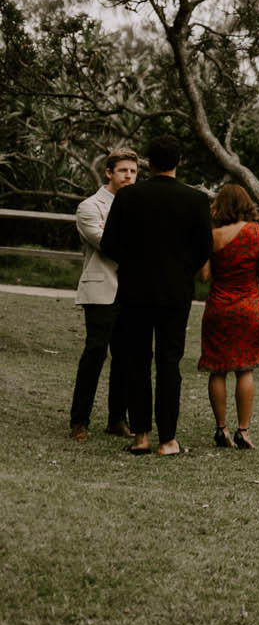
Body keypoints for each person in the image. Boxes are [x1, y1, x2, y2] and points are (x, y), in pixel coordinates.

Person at [99, 135, 212, 457]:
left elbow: (109, 244)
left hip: (135, 289)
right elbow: (205, 248)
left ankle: (141, 436)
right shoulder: (196, 200)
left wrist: (135, 263)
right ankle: (168, 440)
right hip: (176, 292)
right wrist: (180, 268)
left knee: (136, 360)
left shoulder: (130, 196)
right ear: (179, 162)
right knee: (169, 362)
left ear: (148, 162)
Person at [197, 184, 259, 450]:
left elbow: (203, 276)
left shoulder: (210, 235)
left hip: (218, 308)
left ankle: (221, 429)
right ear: (247, 205)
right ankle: (243, 431)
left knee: (217, 369)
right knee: (245, 369)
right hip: (247, 307)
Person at [69, 147, 138, 441]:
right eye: (123, 170)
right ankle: (79, 421)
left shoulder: (140, 206)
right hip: (101, 290)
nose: (129, 176)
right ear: (109, 173)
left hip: (132, 292)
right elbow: (106, 243)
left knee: (126, 357)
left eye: (134, 171)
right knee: (95, 354)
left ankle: (116, 419)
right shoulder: (89, 206)